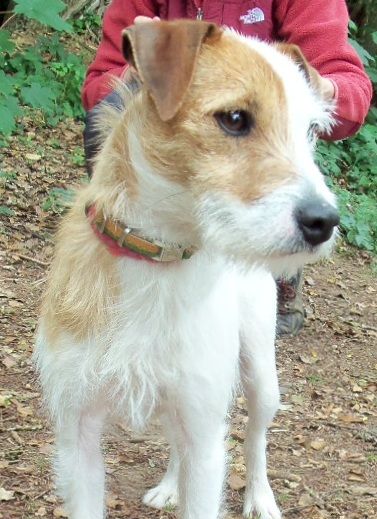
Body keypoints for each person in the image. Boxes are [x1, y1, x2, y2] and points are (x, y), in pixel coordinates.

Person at [82, 0, 372, 335]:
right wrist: (151, 67)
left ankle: (280, 285)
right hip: (168, 161)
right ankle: (117, 233)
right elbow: (98, 88)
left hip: (244, 176)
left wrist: (309, 89)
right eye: (237, 119)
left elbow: (352, 88)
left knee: (255, 368)